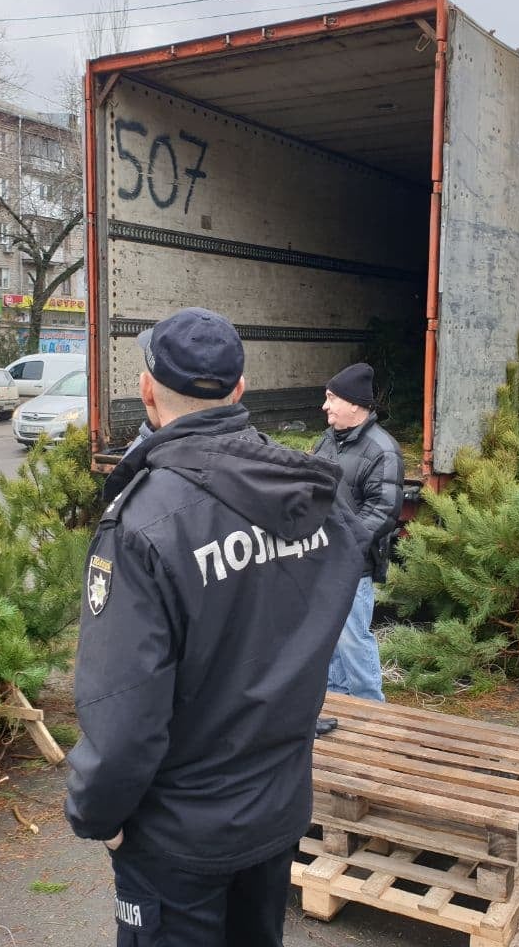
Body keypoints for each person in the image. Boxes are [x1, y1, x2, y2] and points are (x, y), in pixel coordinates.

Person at [64, 307, 368, 947]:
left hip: (179, 839)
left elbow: (124, 712)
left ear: (147, 390)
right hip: (276, 812)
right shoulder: (308, 492)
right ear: (240, 389)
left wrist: (99, 815)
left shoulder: (144, 524)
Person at [313, 362, 404, 704]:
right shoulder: (327, 442)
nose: (325, 406)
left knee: (352, 638)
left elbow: (383, 511)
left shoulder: (383, 449)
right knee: (329, 636)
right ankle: (337, 701)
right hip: (323, 557)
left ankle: (371, 707)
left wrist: (343, 545)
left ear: (353, 404)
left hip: (353, 562)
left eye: (331, 398)